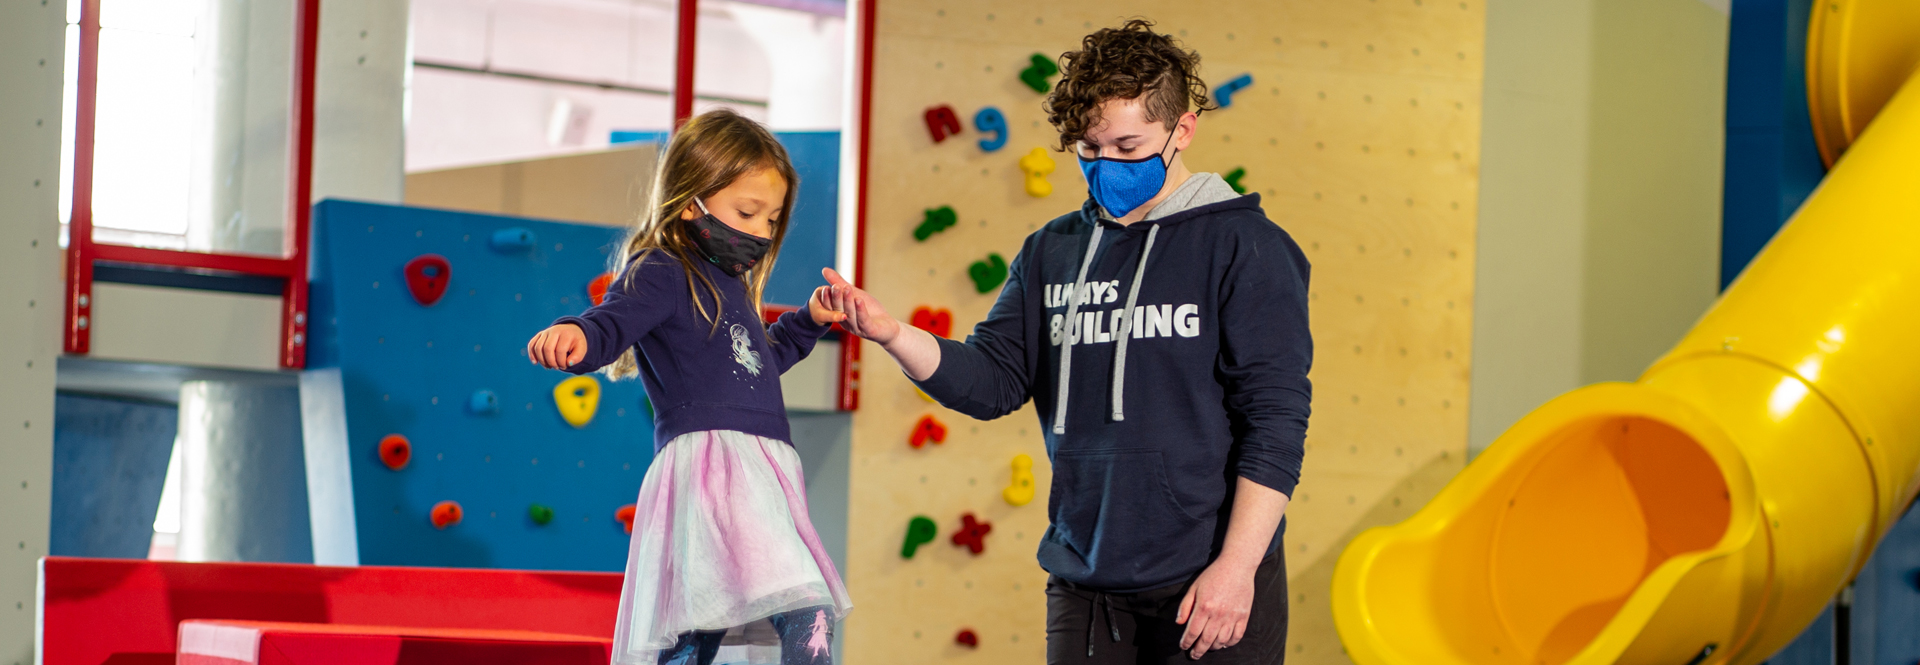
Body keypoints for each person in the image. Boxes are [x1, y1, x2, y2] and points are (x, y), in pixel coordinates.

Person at [821, 19, 1310, 664]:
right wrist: (890, 334)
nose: (1107, 166)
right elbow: (993, 381)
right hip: (1085, 581)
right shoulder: (1052, 249)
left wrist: (1236, 569)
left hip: (1207, 581)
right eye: (1088, 149)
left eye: (1128, 147)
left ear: (1182, 130)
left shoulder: (1247, 247)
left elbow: (1275, 424)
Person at [526, 108, 851, 665]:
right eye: (747, 212)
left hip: (760, 469)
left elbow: (759, 363)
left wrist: (808, 321)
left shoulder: (731, 285)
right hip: (712, 468)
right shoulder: (663, 270)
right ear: (688, 201)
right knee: (798, 608)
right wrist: (577, 332)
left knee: (706, 625)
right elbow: (613, 320)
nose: (761, 232)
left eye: (772, 219)